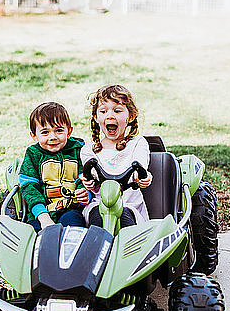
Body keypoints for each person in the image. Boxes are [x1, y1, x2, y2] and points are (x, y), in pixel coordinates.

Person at [80, 84, 152, 228]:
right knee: (98, 215)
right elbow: (91, 174)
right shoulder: (88, 150)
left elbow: (140, 165)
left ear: (130, 116)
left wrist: (143, 177)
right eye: (103, 111)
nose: (110, 115)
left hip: (129, 206)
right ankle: (99, 248)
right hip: (99, 206)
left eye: (117, 111)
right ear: (96, 116)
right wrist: (89, 181)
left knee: (124, 217)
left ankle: (129, 249)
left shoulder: (137, 143)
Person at [19, 102, 91, 232]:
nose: (52, 137)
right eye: (45, 132)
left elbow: (85, 177)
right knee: (33, 237)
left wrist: (85, 194)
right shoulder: (33, 154)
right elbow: (29, 188)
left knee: (73, 228)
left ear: (69, 131)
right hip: (40, 213)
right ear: (34, 136)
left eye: (59, 130)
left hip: (71, 209)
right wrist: (43, 216)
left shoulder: (78, 150)